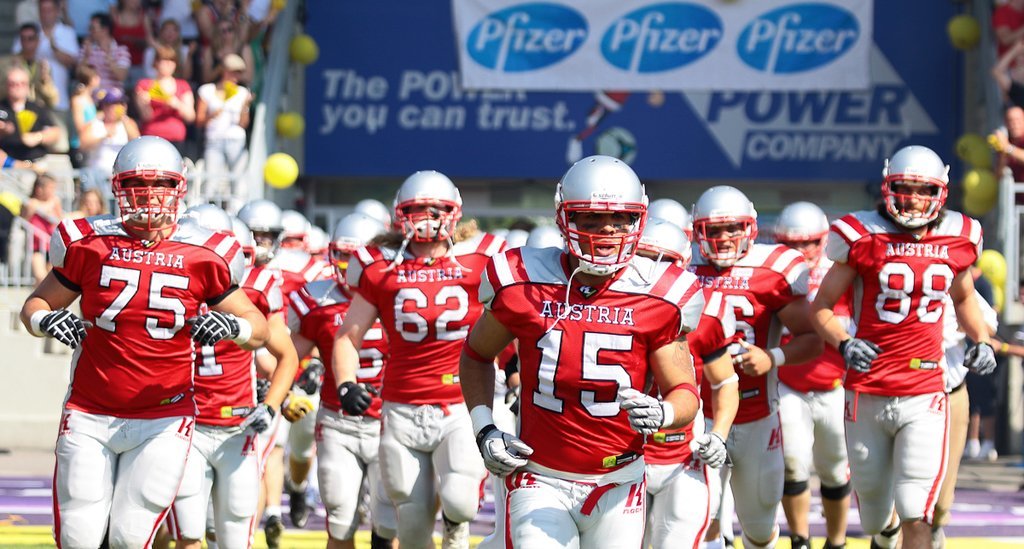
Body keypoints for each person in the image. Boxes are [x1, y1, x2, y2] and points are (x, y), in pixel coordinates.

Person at [18, 135, 269, 548]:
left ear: (179, 187)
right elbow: (35, 304)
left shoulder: (205, 250)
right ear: (118, 186)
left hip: (163, 416)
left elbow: (258, 326)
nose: (149, 195)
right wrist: (45, 319)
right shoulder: (88, 242)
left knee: (129, 538)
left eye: (161, 184)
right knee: (79, 536)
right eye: (137, 183)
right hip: (89, 411)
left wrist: (233, 328)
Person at [459, 156, 703, 547]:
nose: (607, 229)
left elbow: (685, 391)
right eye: (590, 218)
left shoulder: (661, 294)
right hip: (540, 475)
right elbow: (475, 355)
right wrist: (484, 427)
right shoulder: (522, 280)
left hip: (619, 481)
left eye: (620, 218)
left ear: (638, 220)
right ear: (564, 218)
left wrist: (665, 413)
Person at [810, 145, 997, 549]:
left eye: (923, 190)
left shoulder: (957, 237)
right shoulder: (861, 235)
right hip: (867, 389)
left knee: (916, 507)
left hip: (925, 388)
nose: (913, 198)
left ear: (940, 192)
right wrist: (844, 342)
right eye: (905, 188)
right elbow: (821, 306)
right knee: (877, 516)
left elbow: (964, 298)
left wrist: (981, 339)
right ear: (887, 187)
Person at [333, 170, 504, 549]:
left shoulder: (482, 257)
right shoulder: (380, 265)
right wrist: (346, 383)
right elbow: (348, 335)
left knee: (460, 500)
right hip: (401, 404)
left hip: (460, 402)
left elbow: (512, 321)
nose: (427, 218)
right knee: (410, 523)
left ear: (454, 212)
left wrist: (516, 370)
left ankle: (456, 527)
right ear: (400, 214)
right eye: (417, 210)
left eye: (436, 209)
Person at [690, 185, 822, 549]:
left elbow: (812, 338)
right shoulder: (682, 269)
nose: (724, 237)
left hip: (756, 415)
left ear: (750, 227)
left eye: (733, 227)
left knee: (760, 526)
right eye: (714, 229)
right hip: (700, 414)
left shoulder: (773, 270)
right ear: (698, 232)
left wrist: (773, 357)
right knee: (701, 516)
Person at [168, 203, 298, 549]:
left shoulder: (257, 286)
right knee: (186, 532)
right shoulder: (169, 283)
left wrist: (270, 405)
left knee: (235, 533)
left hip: (236, 426)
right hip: (184, 425)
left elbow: (286, 356)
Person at [289, 212, 397, 549]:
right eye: (345, 255)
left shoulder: (401, 293)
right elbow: (289, 355)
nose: (351, 266)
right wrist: (292, 382)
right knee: (339, 518)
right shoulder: (317, 298)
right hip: (339, 421)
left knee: (390, 524)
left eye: (359, 256)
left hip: (392, 420)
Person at [636, 217, 740, 549]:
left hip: (683, 453)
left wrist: (719, 434)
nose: (652, 270)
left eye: (663, 261)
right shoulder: (606, 305)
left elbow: (725, 381)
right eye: (643, 259)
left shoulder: (706, 309)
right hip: (622, 454)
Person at [772, 202, 851, 549]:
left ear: (824, 240)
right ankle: (800, 539)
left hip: (835, 384)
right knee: (792, 463)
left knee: (835, 468)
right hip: (789, 383)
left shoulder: (840, 273)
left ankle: (837, 541)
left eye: (809, 242)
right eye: (793, 243)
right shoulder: (773, 273)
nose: (802, 250)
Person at [196, 54, 252, 210]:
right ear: (223, 71)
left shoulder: (242, 92)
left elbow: (243, 124)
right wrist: (212, 115)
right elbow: (199, 120)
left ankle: (237, 212)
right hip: (214, 140)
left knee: (238, 181)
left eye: (238, 73)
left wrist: (245, 106)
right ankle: (207, 211)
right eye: (232, 72)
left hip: (236, 141)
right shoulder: (207, 90)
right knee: (211, 180)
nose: (235, 76)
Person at [79, 87, 140, 197]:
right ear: (105, 106)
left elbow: (137, 143)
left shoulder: (128, 123)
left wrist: (124, 119)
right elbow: (83, 145)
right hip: (97, 175)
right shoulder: (95, 124)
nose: (117, 107)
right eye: (114, 104)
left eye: (121, 103)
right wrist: (103, 136)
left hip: (121, 175)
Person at [134, 46, 194, 156]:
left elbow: (191, 117)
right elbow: (146, 116)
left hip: (176, 138)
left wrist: (176, 104)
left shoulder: (183, 85)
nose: (168, 64)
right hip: (151, 137)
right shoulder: (145, 84)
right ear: (156, 63)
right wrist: (145, 103)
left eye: (171, 61)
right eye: (164, 60)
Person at [0, 65, 60, 162]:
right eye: (13, 84)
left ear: (28, 86)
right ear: (6, 85)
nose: (18, 87)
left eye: (22, 83)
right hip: (8, 163)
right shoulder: (2, 107)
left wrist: (39, 137)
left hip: (36, 161)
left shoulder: (36, 108)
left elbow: (55, 132)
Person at [1, 23, 59, 109]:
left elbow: (53, 101)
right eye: (23, 38)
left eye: (30, 38)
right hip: (10, 110)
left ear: (38, 41)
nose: (26, 42)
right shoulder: (6, 63)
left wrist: (45, 82)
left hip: (36, 112)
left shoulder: (42, 66)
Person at [21, 173, 63, 285]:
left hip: (52, 245)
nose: (53, 191)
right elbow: (25, 217)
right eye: (50, 188)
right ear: (39, 189)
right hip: (36, 246)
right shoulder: (31, 203)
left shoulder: (55, 202)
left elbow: (59, 219)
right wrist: (48, 205)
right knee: (40, 277)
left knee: (52, 280)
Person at [79, 12, 132, 92]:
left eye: (92, 28)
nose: (90, 31)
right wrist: (86, 57)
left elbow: (122, 76)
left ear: (105, 30)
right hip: (91, 95)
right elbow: (78, 74)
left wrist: (109, 58)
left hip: (112, 96)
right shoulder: (86, 48)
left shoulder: (121, 50)